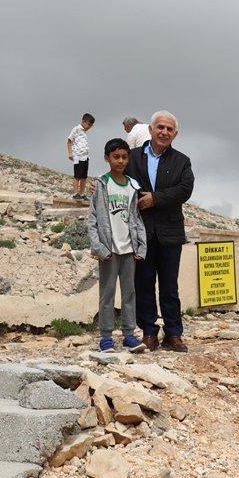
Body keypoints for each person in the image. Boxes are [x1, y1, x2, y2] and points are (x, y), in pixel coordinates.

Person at [125, 111, 194, 352]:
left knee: (169, 286)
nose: (164, 132)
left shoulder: (182, 161)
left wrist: (155, 198)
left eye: (169, 129)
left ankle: (174, 334)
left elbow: (185, 190)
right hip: (141, 231)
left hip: (170, 232)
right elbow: (120, 183)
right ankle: (149, 332)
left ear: (175, 134)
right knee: (143, 283)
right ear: (151, 129)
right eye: (160, 127)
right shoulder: (132, 157)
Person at [87, 138, 148, 354]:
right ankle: (105, 337)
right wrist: (99, 248)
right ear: (107, 158)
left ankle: (129, 335)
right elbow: (92, 219)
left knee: (129, 292)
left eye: (124, 157)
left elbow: (136, 218)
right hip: (109, 251)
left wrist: (141, 247)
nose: (120, 161)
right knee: (107, 294)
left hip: (129, 250)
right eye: (116, 157)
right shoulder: (101, 184)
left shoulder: (133, 185)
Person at [66, 113, 95, 201]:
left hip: (85, 156)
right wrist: (70, 153)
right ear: (83, 121)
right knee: (77, 176)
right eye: (89, 124)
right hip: (77, 156)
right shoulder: (76, 129)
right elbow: (69, 141)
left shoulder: (84, 132)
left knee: (84, 177)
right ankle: (75, 193)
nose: (89, 127)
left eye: (91, 125)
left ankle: (82, 194)